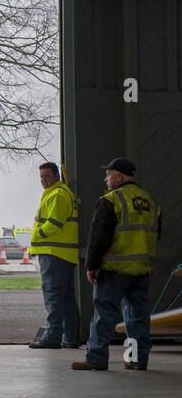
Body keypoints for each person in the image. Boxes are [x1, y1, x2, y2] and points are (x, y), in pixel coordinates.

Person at [73, 158, 160, 371]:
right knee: (137, 317)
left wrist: (91, 266)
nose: (106, 179)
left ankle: (96, 358)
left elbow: (99, 237)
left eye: (108, 175)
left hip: (114, 270)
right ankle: (136, 360)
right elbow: (156, 234)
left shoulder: (111, 200)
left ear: (118, 177)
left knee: (104, 315)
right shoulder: (150, 201)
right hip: (141, 269)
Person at [28, 161, 80, 349]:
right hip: (63, 254)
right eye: (41, 177)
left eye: (47, 176)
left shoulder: (58, 194)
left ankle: (52, 336)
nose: (43, 180)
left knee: (54, 296)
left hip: (54, 254)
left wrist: (37, 234)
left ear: (57, 175)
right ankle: (69, 337)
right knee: (65, 298)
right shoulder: (58, 193)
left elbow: (54, 223)